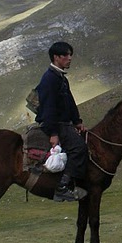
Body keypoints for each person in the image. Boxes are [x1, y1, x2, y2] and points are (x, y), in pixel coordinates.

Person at [35, 41, 88, 202]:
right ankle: (62, 187)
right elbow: (49, 107)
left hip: (64, 123)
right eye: (65, 55)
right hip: (56, 124)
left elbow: (70, 102)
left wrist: (77, 121)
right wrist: (53, 133)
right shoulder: (50, 79)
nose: (69, 58)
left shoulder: (60, 77)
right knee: (79, 148)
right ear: (56, 57)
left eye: (70, 54)